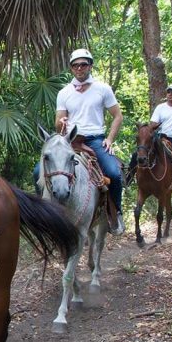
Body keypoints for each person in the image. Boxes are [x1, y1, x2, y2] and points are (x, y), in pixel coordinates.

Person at [54, 48, 126, 234]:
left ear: (90, 66)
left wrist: (110, 139)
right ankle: (49, 215)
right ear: (71, 68)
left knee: (114, 173)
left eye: (83, 64)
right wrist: (60, 123)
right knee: (39, 172)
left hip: (95, 139)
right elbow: (58, 121)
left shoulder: (102, 88)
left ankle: (115, 214)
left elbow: (117, 116)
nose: (79, 68)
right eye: (76, 65)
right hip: (70, 140)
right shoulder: (64, 92)